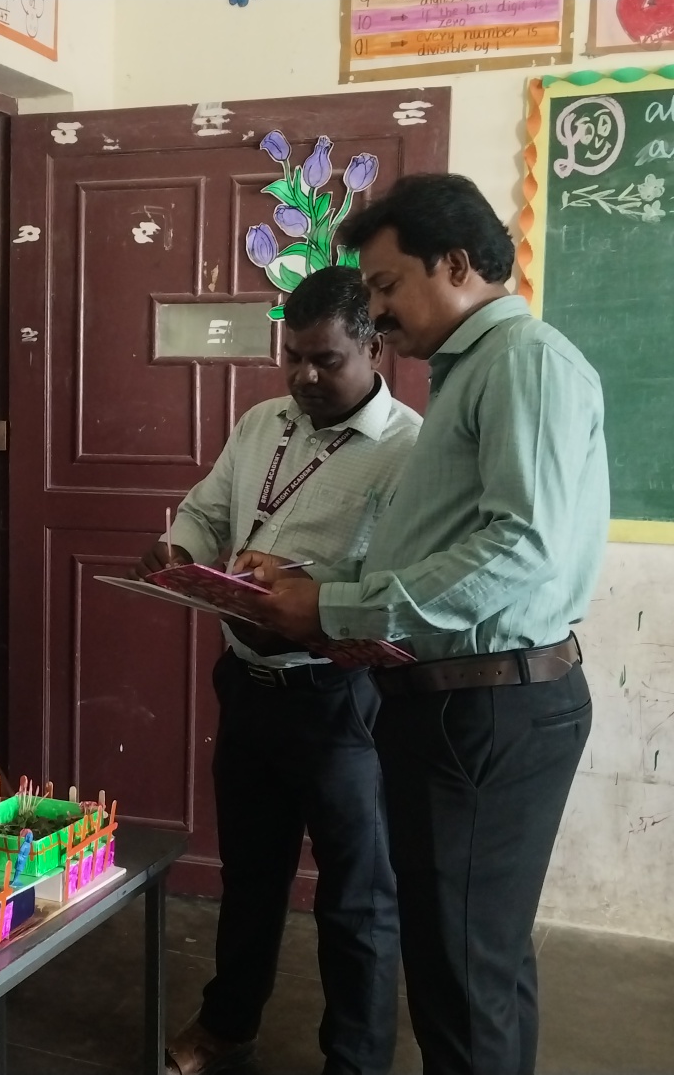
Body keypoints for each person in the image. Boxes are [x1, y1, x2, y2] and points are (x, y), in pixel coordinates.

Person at [256, 174, 609, 1075]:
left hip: (486, 710)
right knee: (475, 965)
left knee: (461, 981)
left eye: (385, 286)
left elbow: (522, 549)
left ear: (455, 265)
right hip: (460, 703)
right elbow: (446, 546)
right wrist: (319, 585)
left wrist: (334, 608)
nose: (376, 312)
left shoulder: (522, 362)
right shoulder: (473, 373)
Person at [142, 267, 422, 1075]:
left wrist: (298, 585)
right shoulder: (263, 422)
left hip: (338, 698)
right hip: (248, 685)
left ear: (373, 349)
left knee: (357, 897)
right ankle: (227, 1027)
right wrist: (182, 550)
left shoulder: (408, 450)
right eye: (292, 357)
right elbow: (207, 511)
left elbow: (395, 584)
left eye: (325, 360)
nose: (303, 377)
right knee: (251, 875)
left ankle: (355, 1062)